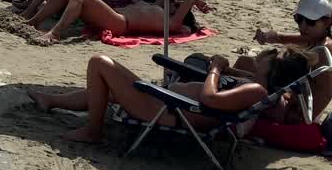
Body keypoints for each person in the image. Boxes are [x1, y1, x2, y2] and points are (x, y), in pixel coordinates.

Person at [26, 50, 310, 143]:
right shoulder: (255, 85)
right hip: (168, 104)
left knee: (99, 63)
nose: (267, 57)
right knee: (109, 91)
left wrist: (215, 69)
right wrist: (226, 68)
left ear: (272, 72)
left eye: (271, 59)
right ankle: (52, 101)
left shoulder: (257, 91)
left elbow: (210, 99)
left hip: (166, 109)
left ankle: (92, 131)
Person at [252, 0, 332, 119]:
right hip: (294, 100)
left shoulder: (325, 50)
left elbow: (322, 96)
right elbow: (281, 37)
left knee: (257, 68)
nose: (302, 26)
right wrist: (266, 36)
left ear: (327, 22)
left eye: (310, 21)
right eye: (299, 19)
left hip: (299, 112)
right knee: (246, 63)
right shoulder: (314, 37)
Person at [25, 0, 211, 46]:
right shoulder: (158, 8)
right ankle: (34, 21)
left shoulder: (171, 23)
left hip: (120, 23)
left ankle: (55, 33)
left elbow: (183, 3)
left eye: (178, 6)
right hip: (113, 15)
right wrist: (194, 0)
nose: (175, 4)